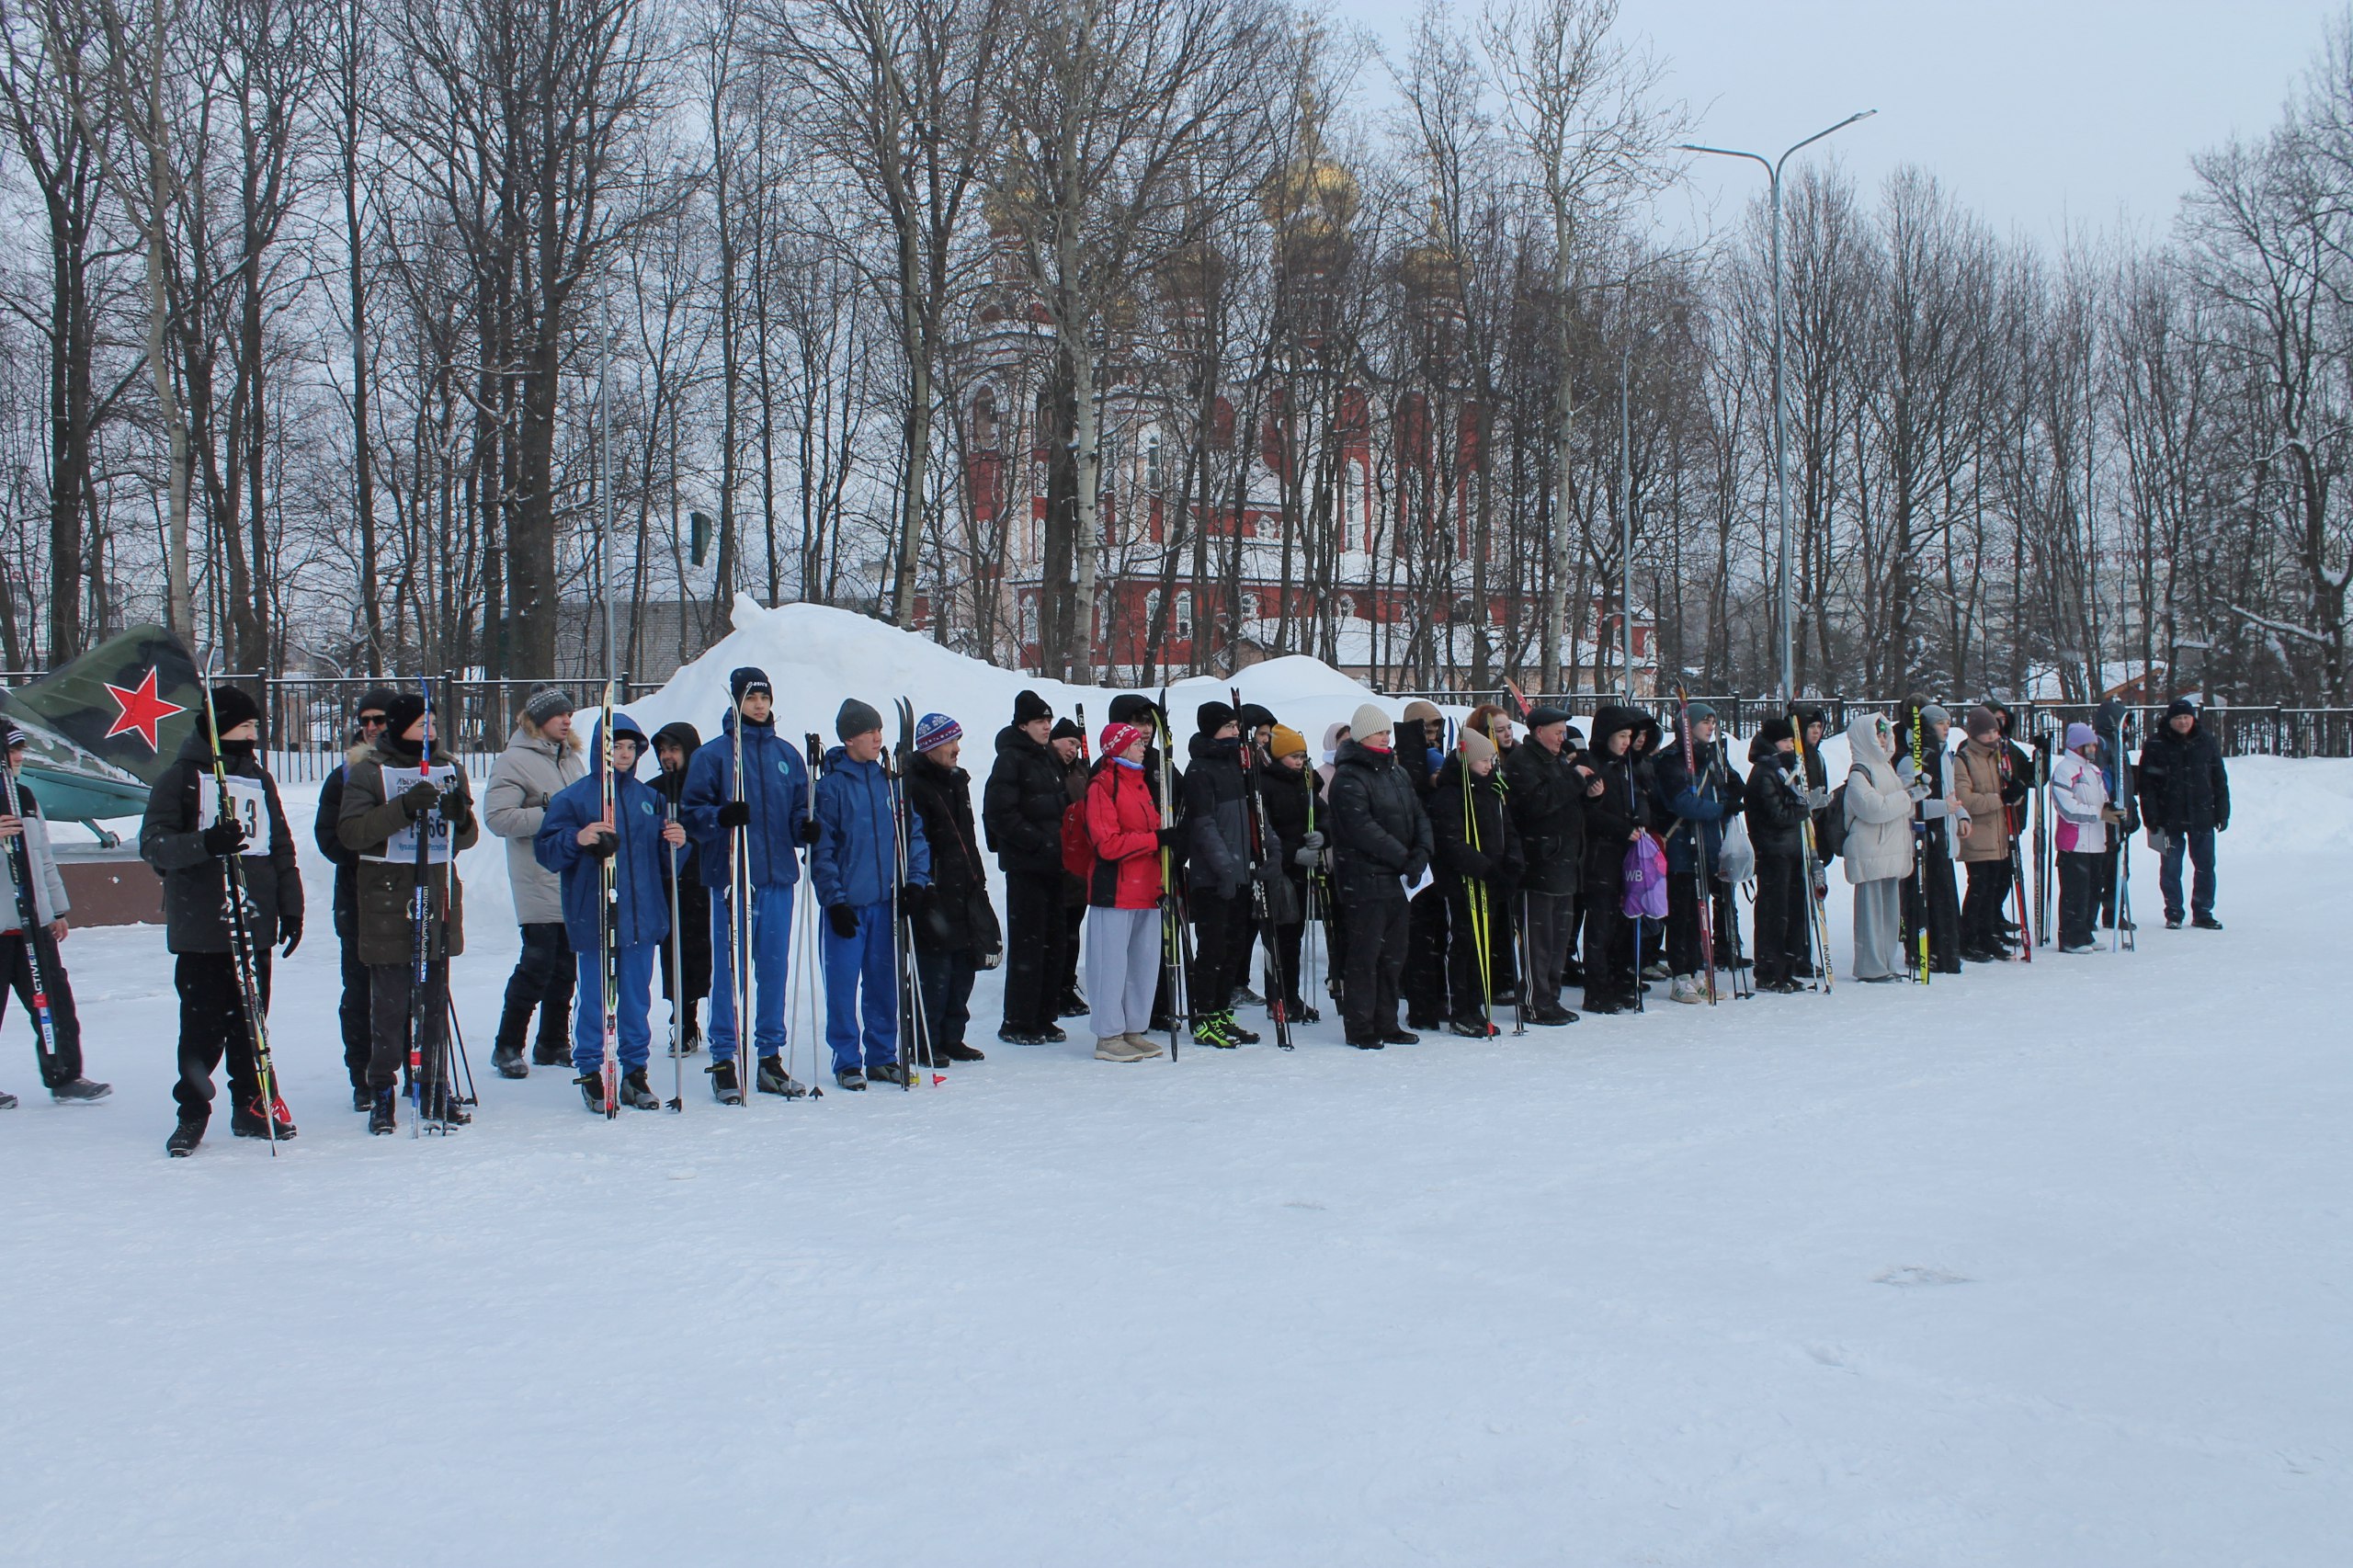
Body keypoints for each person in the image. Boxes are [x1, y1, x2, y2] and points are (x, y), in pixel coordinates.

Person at [142, 685, 302, 1154]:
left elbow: (280, 847)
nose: (253, 735)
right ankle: (192, 1111)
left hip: (254, 921)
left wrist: (290, 905)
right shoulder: (180, 778)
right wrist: (205, 843)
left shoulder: (258, 778)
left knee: (251, 1023)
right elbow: (154, 846)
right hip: (203, 929)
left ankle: (251, 1105)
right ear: (219, 729)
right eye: (245, 726)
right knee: (202, 1028)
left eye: (255, 726)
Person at [339, 688, 479, 1134]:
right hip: (387, 899)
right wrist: (401, 809)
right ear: (401, 728)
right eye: (422, 725)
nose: (431, 732)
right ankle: (382, 1090)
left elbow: (466, 838)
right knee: (390, 1005)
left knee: (434, 1002)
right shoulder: (369, 771)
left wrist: (459, 817)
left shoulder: (449, 768)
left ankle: (435, 1085)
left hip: (435, 895)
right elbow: (352, 833)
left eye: (434, 723)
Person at [533, 712, 685, 1112]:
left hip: (642, 916)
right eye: (616, 747)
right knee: (597, 999)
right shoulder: (575, 798)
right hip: (595, 915)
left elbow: (667, 865)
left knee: (635, 999)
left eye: (631, 748)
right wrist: (577, 838)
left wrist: (677, 844)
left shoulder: (650, 800)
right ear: (602, 749)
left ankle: (634, 1072)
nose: (624, 754)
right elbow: (547, 851)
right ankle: (591, 1070)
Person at [680, 667, 813, 1104]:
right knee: (730, 972)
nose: (759, 705)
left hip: (776, 878)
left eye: (764, 698)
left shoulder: (786, 755)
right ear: (737, 703)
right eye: (751, 698)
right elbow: (692, 812)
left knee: (773, 970)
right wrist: (719, 817)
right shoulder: (714, 755)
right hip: (732, 878)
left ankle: (769, 1057)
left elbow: (797, 809)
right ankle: (724, 1059)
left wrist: (804, 829)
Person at [813, 698, 930, 1089]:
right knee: (842, 987)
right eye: (868, 732)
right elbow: (822, 849)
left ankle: (883, 1055)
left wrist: (915, 882)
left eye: (879, 730)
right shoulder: (831, 787)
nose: (877, 738)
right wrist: (834, 900)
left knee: (884, 985)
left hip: (885, 903)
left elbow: (913, 835)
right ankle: (847, 1059)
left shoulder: (890, 783)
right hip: (848, 904)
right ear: (849, 739)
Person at [0, 724, 108, 1105]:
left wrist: (56, 909)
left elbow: (43, 857)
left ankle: (65, 1075)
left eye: (21, 750)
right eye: (12, 751)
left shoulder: (25, 797)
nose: (19, 758)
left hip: (33, 925)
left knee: (55, 1004)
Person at [482, 688, 585, 1079]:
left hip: (572, 875)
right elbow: (499, 818)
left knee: (566, 966)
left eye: (569, 714)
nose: (567, 720)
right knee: (537, 963)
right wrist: (552, 816)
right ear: (538, 720)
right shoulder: (514, 761)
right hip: (536, 877)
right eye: (559, 714)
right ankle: (508, 1044)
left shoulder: (571, 759)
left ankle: (553, 1041)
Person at [1326, 703, 1430, 1048]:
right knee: (1365, 957)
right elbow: (1362, 828)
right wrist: (1404, 857)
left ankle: (1387, 1022)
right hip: (1365, 880)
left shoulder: (1396, 772)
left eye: (1387, 731)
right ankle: (1361, 1027)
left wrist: (1422, 851)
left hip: (1399, 881)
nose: (1386, 737)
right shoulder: (1349, 776)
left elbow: (1418, 813)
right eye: (1378, 732)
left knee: (1393, 957)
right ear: (1361, 736)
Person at [314, 687, 397, 1108]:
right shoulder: (344, 776)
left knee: (405, 991)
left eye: (379, 720)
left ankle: (414, 1068)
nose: (371, 727)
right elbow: (329, 839)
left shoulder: (415, 769)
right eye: (365, 720)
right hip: (359, 899)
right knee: (360, 993)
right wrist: (375, 846)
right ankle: (364, 1076)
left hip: (404, 900)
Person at [983, 689, 1071, 1046]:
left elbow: (1061, 806)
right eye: (1039, 721)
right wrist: (1038, 842)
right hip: (1027, 868)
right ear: (1022, 725)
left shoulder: (1048, 758)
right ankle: (1018, 1020)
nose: (1046, 726)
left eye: (1048, 720)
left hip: (1055, 866)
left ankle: (1044, 1016)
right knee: (1028, 946)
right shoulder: (1010, 759)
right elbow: (999, 814)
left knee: (1054, 943)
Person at [903, 712, 991, 1066]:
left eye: (957, 741)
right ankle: (925, 1040)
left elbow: (967, 836)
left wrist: (977, 879)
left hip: (965, 887)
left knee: (963, 969)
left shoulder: (957, 781)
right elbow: (916, 840)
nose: (956, 749)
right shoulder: (915, 784)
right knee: (934, 972)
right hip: (934, 889)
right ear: (929, 747)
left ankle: (953, 1036)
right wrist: (922, 885)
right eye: (949, 742)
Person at [1083, 722, 1169, 1062]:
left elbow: (1151, 828)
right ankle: (1108, 1034)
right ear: (1118, 748)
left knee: (1142, 964)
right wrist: (1155, 840)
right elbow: (1107, 844)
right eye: (1135, 744)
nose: (1142, 747)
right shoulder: (1102, 785)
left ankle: (1133, 1027)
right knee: (1111, 964)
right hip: (1116, 889)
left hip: (1147, 887)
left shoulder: (1140, 782)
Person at [1428, 729, 1523, 1036]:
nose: (1489, 765)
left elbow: (1508, 828)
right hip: (1463, 883)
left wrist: (1513, 863)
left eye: (1492, 760)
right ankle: (1461, 1010)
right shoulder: (1450, 794)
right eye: (1483, 760)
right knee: (1465, 944)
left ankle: (1477, 1006)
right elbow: (1451, 842)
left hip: (1492, 880)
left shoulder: (1492, 789)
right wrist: (1485, 869)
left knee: (1484, 944)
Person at [1652, 701, 1745, 1004]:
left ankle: (1698, 972)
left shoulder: (1712, 757)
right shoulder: (1671, 760)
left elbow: (1728, 789)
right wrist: (1719, 808)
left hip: (1707, 845)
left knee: (1700, 913)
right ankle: (1681, 975)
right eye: (1704, 722)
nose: (1710, 727)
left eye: (1712, 722)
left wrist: (1731, 790)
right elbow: (1681, 803)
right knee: (1683, 915)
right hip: (1681, 848)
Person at [1501, 703, 1587, 1024]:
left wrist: (1589, 791)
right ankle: (1535, 1001)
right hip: (1538, 864)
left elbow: (1565, 799)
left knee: (1558, 941)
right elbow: (1537, 803)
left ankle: (1551, 998)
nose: (1562, 738)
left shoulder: (1557, 760)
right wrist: (1574, 780)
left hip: (1564, 862)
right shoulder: (1522, 761)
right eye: (1558, 732)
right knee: (1538, 942)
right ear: (1539, 732)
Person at [1182, 700, 1259, 1048]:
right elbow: (1203, 824)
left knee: (1234, 948)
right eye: (1229, 726)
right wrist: (1223, 865)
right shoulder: (1200, 769)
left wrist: (1261, 854)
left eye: (1236, 726)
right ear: (1212, 729)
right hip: (1212, 877)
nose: (1235, 731)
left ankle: (1222, 1012)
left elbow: (1253, 815)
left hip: (1240, 873)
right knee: (1212, 949)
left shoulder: (1237, 765)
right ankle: (1203, 1017)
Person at [1578, 707, 1653, 1014]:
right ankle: (1597, 989)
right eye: (1621, 736)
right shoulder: (1591, 763)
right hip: (1600, 857)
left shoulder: (1626, 765)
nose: (1626, 742)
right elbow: (1587, 813)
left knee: (1624, 922)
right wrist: (1621, 828)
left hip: (1626, 856)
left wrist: (1640, 818)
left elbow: (1642, 797)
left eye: (1629, 737)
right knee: (1601, 925)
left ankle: (1620, 981)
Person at [2137, 697, 2229, 930]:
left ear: (2193, 718)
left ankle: (2203, 912)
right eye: (2178, 718)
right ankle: (2174, 913)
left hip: (2202, 815)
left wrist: (2222, 811)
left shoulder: (2206, 741)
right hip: (2169, 817)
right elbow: (2147, 785)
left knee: (2205, 866)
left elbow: (2219, 778)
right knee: (2171, 868)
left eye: (2187, 717)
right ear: (2170, 720)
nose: (2183, 722)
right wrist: (2151, 816)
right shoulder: (2156, 744)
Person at [649, 722, 710, 1054]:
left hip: (706, 882)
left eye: (674, 749)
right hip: (669, 885)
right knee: (676, 956)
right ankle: (685, 1023)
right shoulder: (654, 791)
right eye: (662, 751)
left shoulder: (705, 787)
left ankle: (724, 1023)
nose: (667, 757)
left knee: (713, 955)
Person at [1840, 711, 1915, 983]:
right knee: (1871, 914)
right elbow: (1874, 808)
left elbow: (1897, 805)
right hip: (1870, 850)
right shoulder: (1860, 772)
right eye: (1878, 735)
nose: (1883, 740)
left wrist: (1912, 795)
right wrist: (1907, 797)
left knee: (1889, 914)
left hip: (1889, 849)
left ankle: (1885, 962)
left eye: (1885, 735)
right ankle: (1870, 966)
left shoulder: (1886, 768)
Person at [1744, 719, 1816, 994]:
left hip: (1789, 851)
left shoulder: (1782, 769)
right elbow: (1776, 814)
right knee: (1774, 913)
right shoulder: (1765, 772)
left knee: (1790, 913)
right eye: (1785, 741)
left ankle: (1785, 968)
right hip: (1774, 852)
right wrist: (1804, 808)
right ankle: (1769, 970)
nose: (1790, 746)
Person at [1894, 700, 1966, 975]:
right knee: (1921, 896)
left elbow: (1951, 793)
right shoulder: (1912, 759)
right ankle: (1920, 950)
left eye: (1948, 723)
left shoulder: (1944, 756)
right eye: (1939, 723)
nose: (1945, 728)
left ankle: (1945, 949)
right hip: (1921, 838)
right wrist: (1944, 808)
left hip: (1942, 837)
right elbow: (1911, 803)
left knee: (1943, 897)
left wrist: (1961, 815)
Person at [1256, 724, 1320, 1024]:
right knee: (1279, 939)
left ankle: (1291, 996)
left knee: (1294, 938)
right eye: (1294, 756)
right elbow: (1265, 830)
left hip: (1300, 872)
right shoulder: (1266, 784)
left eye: (1302, 756)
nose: (1299, 761)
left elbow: (1321, 814)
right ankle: (1278, 997)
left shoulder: (1304, 782)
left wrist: (1322, 835)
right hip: (1279, 871)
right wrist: (1293, 852)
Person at [1397, 699, 1451, 1029]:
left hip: (1439, 860)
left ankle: (1438, 997)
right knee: (1417, 938)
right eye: (1427, 728)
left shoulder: (1436, 756)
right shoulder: (1405, 762)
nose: (1433, 735)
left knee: (1439, 935)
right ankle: (1421, 1005)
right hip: (1415, 860)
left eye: (1436, 729)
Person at [1951, 706, 2017, 963]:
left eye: (1995, 731)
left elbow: (2008, 789)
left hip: (1998, 835)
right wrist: (2000, 799)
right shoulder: (1964, 758)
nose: (1993, 736)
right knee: (1979, 888)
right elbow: (1965, 799)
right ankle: (1969, 938)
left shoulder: (1998, 756)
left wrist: (2015, 793)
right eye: (1987, 732)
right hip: (1978, 836)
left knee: (1993, 890)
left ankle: (1988, 935)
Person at [2051, 722, 2121, 953]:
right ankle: (2071, 938)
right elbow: (2067, 808)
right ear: (2077, 746)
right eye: (2088, 745)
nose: (2092, 749)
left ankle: (2085, 932)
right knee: (2075, 893)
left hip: (2096, 842)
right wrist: (2099, 814)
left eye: (2094, 745)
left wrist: (2113, 810)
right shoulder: (2065, 770)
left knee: (2092, 890)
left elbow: (2102, 799)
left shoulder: (2094, 771)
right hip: (2074, 842)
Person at [1050, 716, 1091, 1019]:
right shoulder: (1048, 769)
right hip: (1057, 862)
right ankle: (1056, 989)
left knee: (1072, 932)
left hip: (1079, 864)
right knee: (1057, 934)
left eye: (1077, 744)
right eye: (1069, 742)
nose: (1073, 749)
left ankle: (1066, 985)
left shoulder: (1080, 771)